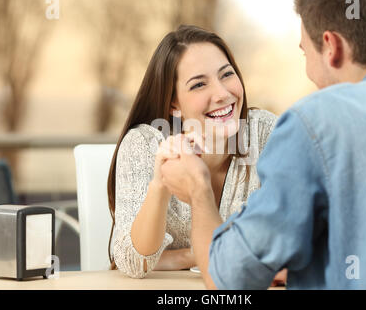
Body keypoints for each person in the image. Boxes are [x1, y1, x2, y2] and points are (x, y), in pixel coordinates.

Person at [160, 0, 366, 289]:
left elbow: (229, 278)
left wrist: (198, 190)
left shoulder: (317, 121)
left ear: (331, 47)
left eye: (305, 52)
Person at [106, 25, 284, 283]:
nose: (223, 94)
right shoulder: (144, 144)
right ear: (173, 104)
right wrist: (160, 185)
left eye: (227, 75)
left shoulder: (267, 134)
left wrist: (185, 256)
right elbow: (133, 263)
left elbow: (290, 245)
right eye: (199, 84)